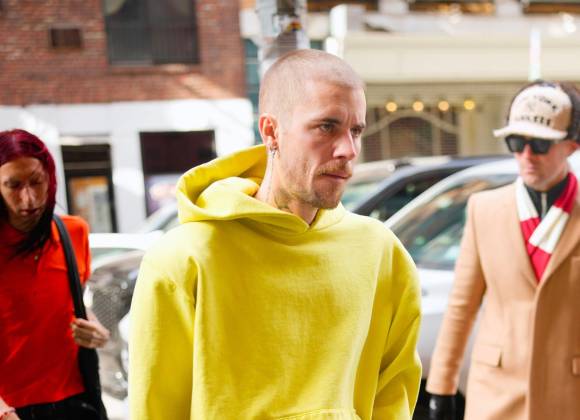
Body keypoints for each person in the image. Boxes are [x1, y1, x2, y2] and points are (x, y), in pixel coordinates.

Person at [129, 49, 422, 420]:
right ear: (271, 131)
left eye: (356, 131)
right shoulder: (184, 258)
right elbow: (156, 409)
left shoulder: (380, 251)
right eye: (327, 127)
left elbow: (393, 391)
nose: (348, 150)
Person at [427, 81, 580, 420]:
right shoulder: (484, 209)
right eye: (516, 142)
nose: (526, 155)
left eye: (540, 144)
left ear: (571, 146)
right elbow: (461, 306)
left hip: (570, 391)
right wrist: (441, 386)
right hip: (496, 391)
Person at [0, 129, 110, 420]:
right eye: (13, 185)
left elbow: (64, 305)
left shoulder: (74, 232)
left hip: (77, 401)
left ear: (50, 178)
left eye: (36, 181)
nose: (29, 198)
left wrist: (94, 329)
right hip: (11, 408)